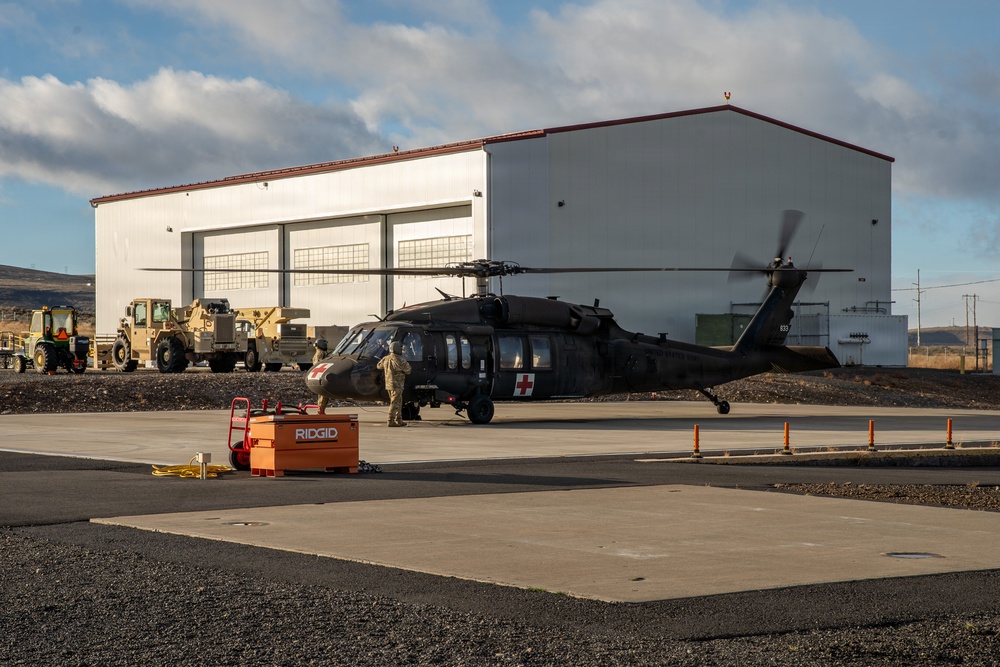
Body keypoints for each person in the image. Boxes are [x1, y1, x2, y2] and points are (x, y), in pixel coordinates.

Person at [376, 340, 412, 427]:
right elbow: (408, 370)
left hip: (389, 384)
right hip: (397, 385)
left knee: (398, 402)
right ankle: (390, 420)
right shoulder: (400, 360)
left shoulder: (386, 358)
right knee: (395, 403)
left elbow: (379, 366)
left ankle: (398, 419)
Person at [311, 339, 328, 414]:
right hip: (321, 377)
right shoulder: (321, 353)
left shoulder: (317, 353)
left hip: (318, 377)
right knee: (324, 395)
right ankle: (320, 411)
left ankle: (320, 410)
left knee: (321, 395)